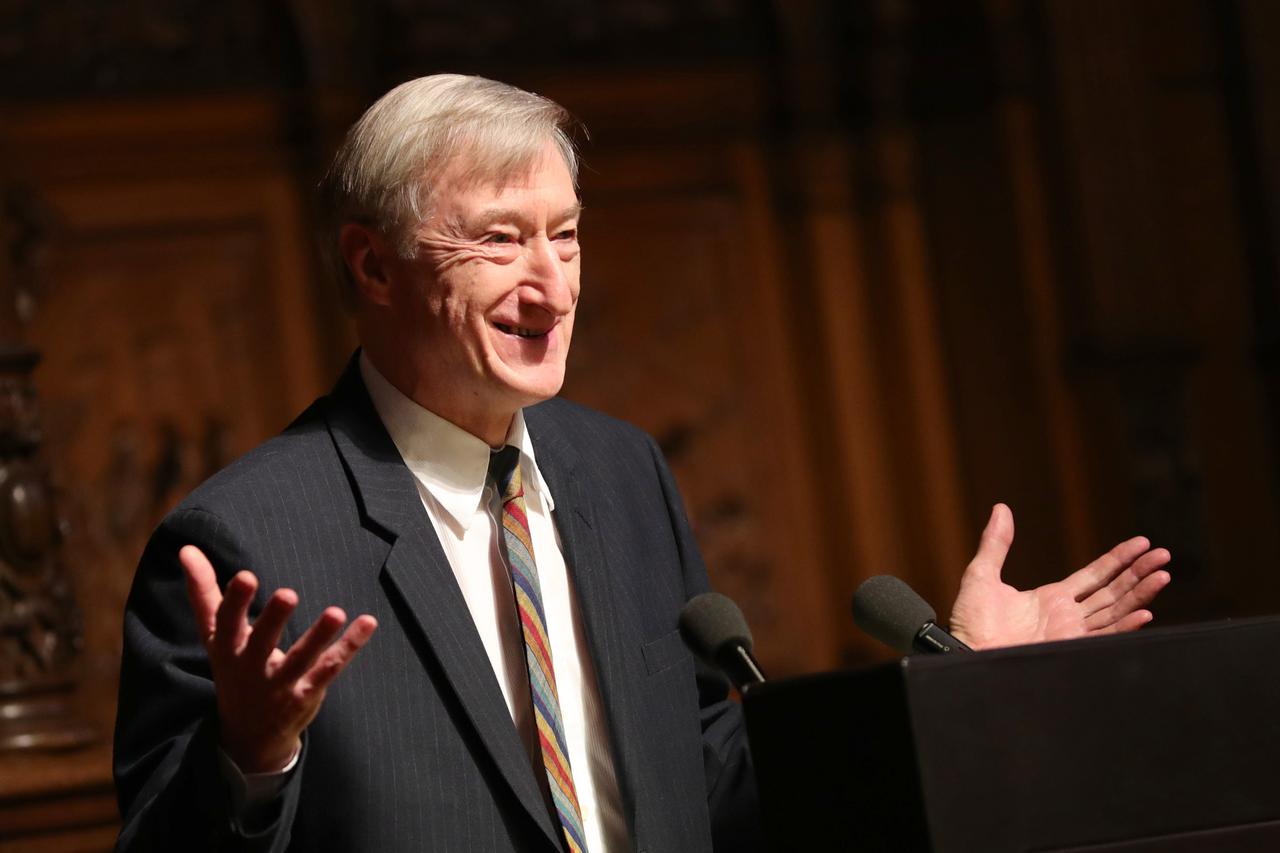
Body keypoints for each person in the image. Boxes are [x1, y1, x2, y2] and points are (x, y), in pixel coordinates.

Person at [113, 74, 1172, 853]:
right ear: (372, 265)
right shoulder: (244, 539)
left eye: (565, 236)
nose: (552, 285)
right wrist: (251, 758)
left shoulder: (619, 474)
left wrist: (951, 683)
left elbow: (710, 778)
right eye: (499, 241)